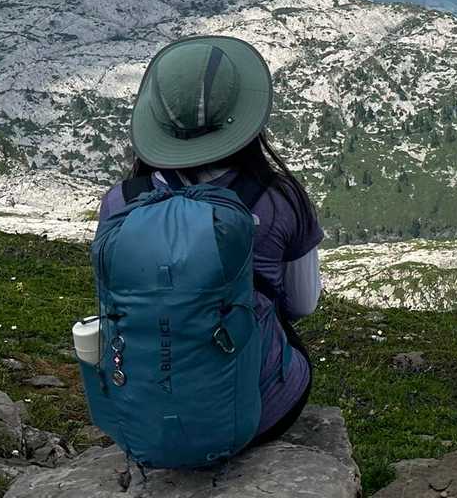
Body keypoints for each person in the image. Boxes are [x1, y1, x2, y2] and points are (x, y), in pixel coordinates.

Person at [97, 35, 323, 446]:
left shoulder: (120, 203)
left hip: (144, 415)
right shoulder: (278, 199)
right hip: (260, 412)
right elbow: (302, 304)